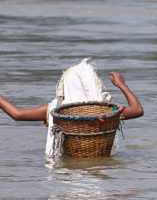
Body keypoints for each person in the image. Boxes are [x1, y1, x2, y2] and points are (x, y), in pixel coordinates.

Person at [0, 61, 143, 156]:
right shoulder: (106, 110)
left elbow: (17, 114)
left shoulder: (56, 110)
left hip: (69, 170)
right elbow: (137, 110)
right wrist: (121, 84)